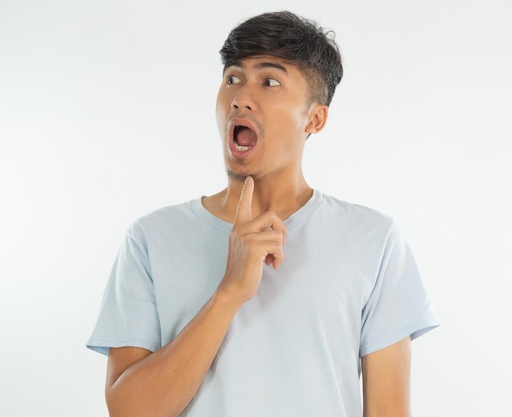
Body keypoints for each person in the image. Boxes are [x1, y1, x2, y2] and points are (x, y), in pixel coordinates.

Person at [87, 10, 440, 417]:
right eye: (232, 78)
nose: (240, 97)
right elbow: (129, 411)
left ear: (315, 117)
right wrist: (229, 292)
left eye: (269, 81)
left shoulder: (374, 241)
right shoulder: (150, 238)